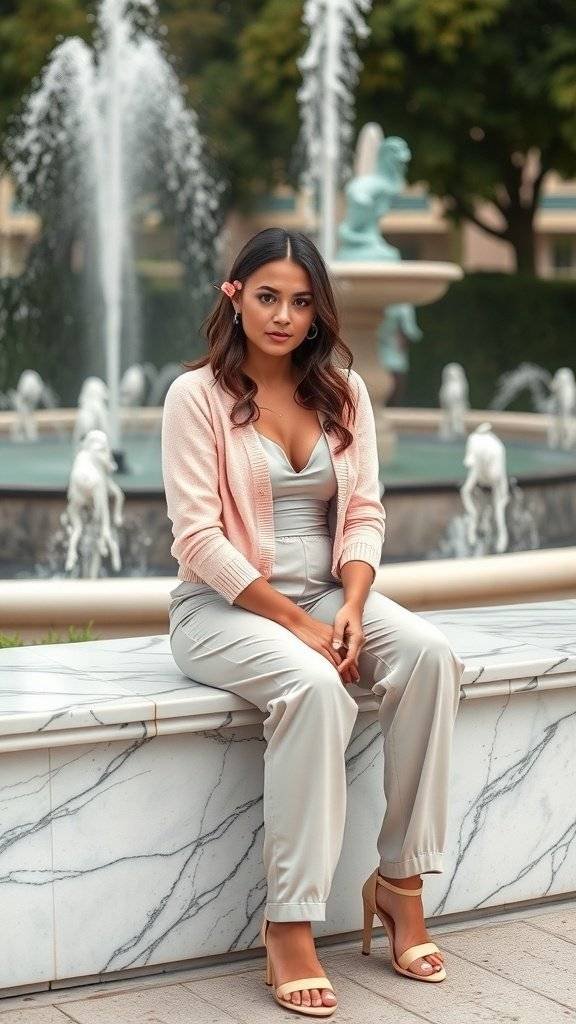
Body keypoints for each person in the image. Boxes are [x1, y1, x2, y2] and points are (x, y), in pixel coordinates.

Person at [161, 227, 465, 1018]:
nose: (284, 315)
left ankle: (400, 883)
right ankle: (289, 920)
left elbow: (363, 513)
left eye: (301, 301)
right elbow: (197, 539)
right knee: (314, 689)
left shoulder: (342, 392)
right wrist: (297, 623)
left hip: (329, 597)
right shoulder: (194, 397)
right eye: (267, 296)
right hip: (222, 606)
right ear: (235, 296)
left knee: (430, 654)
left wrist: (355, 608)